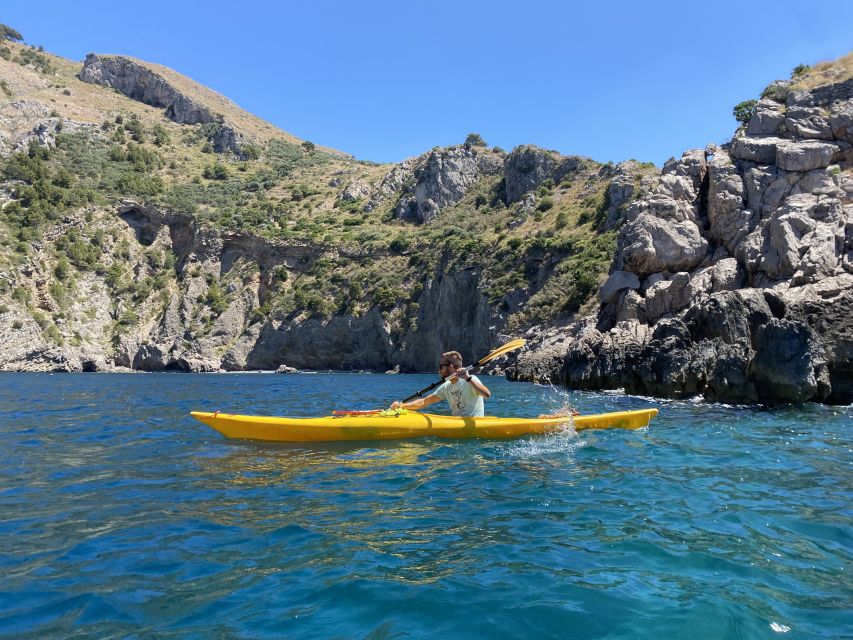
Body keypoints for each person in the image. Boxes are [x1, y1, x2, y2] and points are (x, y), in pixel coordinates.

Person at [390, 351, 491, 417]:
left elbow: (487, 394)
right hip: (457, 427)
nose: (439, 370)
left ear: (451, 367)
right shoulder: (447, 386)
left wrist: (467, 378)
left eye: (441, 366)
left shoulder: (471, 380)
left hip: (474, 427)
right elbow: (425, 402)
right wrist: (402, 406)